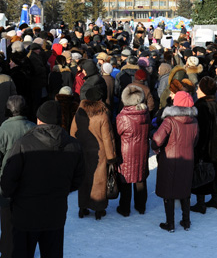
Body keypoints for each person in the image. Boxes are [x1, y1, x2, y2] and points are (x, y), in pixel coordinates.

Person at [0, 101, 84, 258]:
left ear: (38, 120)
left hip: (25, 216)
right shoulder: (74, 146)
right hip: (55, 215)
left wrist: (14, 197)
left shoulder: (23, 144)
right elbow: (77, 180)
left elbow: (7, 182)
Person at [0, 96, 36, 258]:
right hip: (30, 188)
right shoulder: (34, 129)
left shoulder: (1, 132)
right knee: (28, 224)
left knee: (7, 225)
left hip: (7, 188)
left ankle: (7, 253)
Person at [152, 91, 199, 232]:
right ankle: (186, 221)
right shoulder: (194, 121)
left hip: (170, 159)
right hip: (188, 158)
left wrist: (155, 148)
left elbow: (157, 140)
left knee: (169, 190)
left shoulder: (169, 121)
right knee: (184, 188)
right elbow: (195, 141)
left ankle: (170, 223)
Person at [70, 88, 116, 220]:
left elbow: (73, 132)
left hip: (83, 151)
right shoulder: (103, 115)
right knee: (98, 180)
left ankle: (82, 207)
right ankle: (98, 209)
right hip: (100, 153)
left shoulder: (79, 113)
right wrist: (111, 157)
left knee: (84, 179)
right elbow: (108, 138)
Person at [115, 85, 150, 217]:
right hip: (142, 148)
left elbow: (118, 133)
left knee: (126, 178)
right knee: (140, 177)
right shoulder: (145, 113)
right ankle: (141, 206)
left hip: (127, 150)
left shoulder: (123, 116)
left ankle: (125, 208)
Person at [191, 77, 217, 213]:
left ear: (204, 90)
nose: (197, 90)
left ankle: (201, 203)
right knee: (214, 170)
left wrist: (198, 147)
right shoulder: (215, 103)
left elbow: (201, 130)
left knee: (201, 171)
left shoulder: (201, 106)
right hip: (215, 144)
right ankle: (215, 199)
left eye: (199, 88)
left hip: (205, 146)